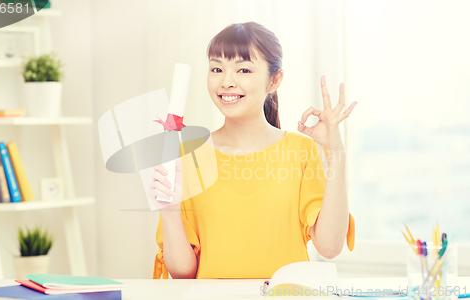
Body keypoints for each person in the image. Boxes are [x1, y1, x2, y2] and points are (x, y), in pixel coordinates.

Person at [149, 22, 357, 279]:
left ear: (274, 80)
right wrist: (169, 214)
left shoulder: (300, 150)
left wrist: (335, 152)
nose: (226, 82)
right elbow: (183, 273)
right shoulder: (188, 155)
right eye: (217, 69)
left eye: (243, 70)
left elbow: (330, 246)